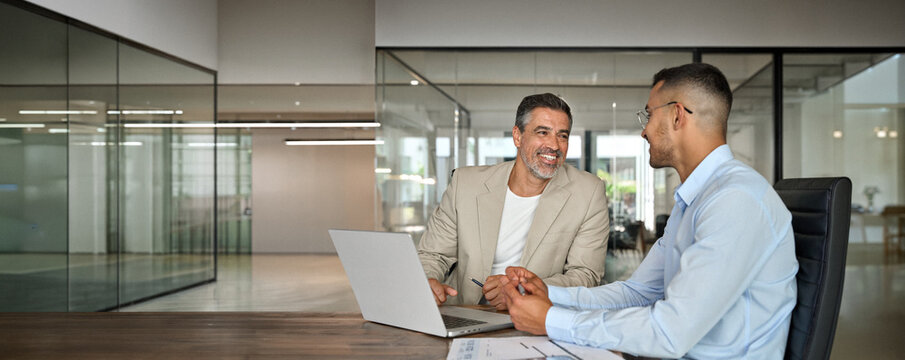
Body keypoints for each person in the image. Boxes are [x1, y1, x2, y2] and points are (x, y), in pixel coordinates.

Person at [500, 63, 799, 359]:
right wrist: (548, 294)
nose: (644, 131)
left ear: (677, 115)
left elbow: (671, 332)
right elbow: (637, 294)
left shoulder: (736, 200)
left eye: (649, 114)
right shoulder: (697, 200)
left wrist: (551, 320)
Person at [417, 93, 609, 310]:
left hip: (539, 317)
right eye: (542, 132)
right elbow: (433, 255)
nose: (554, 145)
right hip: (466, 313)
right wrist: (427, 280)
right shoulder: (466, 184)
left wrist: (522, 290)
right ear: (517, 136)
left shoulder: (589, 192)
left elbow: (586, 275)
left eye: (562, 136)